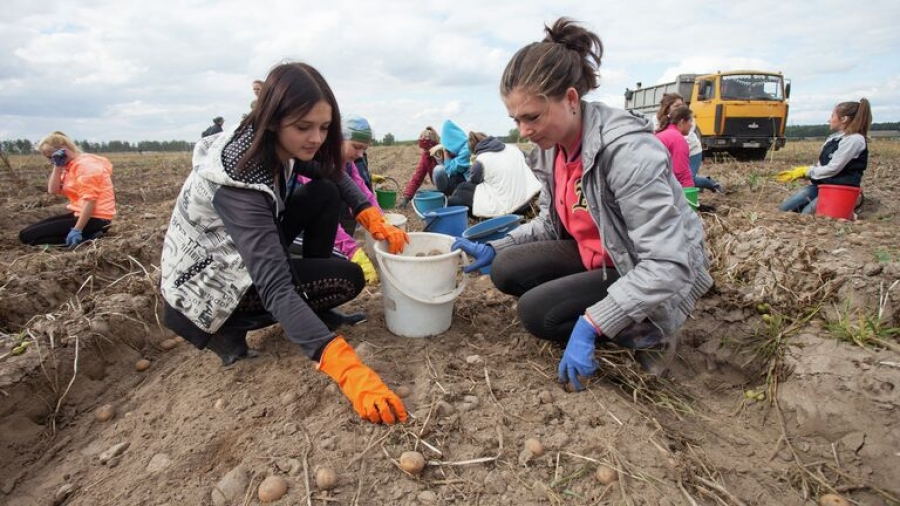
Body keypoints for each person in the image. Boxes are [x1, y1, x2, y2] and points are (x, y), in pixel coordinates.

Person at [452, 18, 713, 389]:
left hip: (644, 267)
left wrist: (594, 323)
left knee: (537, 314)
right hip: (601, 254)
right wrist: (496, 247)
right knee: (507, 268)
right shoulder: (549, 151)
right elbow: (549, 224)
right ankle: (589, 302)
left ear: (571, 99)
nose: (523, 130)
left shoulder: (626, 151)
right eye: (516, 119)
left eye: (532, 117)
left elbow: (667, 263)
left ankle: (648, 329)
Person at [160, 62, 408, 424]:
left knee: (323, 192)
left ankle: (317, 313)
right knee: (346, 278)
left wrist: (368, 212)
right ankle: (226, 331)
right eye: (304, 127)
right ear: (274, 120)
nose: (317, 139)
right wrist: (349, 371)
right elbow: (275, 286)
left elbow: (331, 174)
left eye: (324, 128)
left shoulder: (268, 141)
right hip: (207, 288)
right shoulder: (239, 180)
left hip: (238, 255)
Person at [20, 132, 116, 247]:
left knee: (28, 238)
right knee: (25, 234)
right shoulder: (70, 166)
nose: (51, 161)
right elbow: (53, 190)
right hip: (81, 214)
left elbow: (90, 201)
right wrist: (57, 166)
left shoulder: (86, 166)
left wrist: (77, 230)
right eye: (49, 158)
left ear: (64, 148)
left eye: (52, 156)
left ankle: (88, 236)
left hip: (97, 219)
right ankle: (90, 235)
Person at [776, 98, 872, 214]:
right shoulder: (834, 138)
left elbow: (833, 168)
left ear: (844, 119)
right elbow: (821, 165)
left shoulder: (854, 140)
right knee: (783, 210)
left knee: (808, 214)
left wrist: (806, 171)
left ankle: (849, 211)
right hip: (822, 185)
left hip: (839, 189)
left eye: (832, 116)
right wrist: (802, 173)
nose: (829, 120)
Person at [447, 131, 541, 217]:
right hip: (528, 199)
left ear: (474, 150)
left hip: (511, 207)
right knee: (462, 187)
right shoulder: (514, 148)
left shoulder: (481, 160)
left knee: (462, 189)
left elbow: (475, 182)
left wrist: (473, 167)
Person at [656, 93, 724, 193]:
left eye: (681, 105)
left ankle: (712, 184)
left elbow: (681, 173)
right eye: (676, 106)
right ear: (667, 108)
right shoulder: (660, 123)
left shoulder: (680, 131)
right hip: (676, 151)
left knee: (689, 178)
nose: (680, 107)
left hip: (692, 151)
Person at [398, 126, 441, 208]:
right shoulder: (426, 156)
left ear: (433, 144)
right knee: (420, 193)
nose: (425, 151)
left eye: (426, 148)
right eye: (423, 148)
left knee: (439, 171)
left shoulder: (444, 151)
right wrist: (407, 197)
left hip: (450, 185)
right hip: (439, 186)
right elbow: (418, 177)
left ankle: (448, 196)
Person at [655, 106, 695, 188]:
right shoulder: (678, 139)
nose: (691, 125)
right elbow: (680, 171)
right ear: (682, 121)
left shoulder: (660, 133)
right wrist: (689, 189)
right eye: (691, 121)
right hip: (663, 186)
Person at [431, 120, 470, 196]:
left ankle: (446, 197)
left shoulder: (466, 150)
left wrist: (446, 153)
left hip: (471, 184)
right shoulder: (461, 147)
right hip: (465, 180)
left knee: (439, 170)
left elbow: (449, 170)